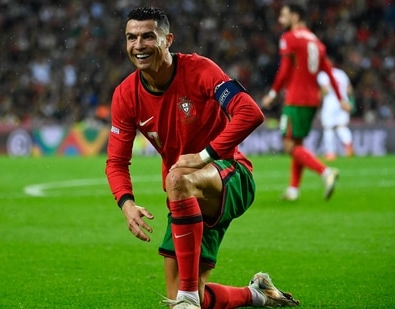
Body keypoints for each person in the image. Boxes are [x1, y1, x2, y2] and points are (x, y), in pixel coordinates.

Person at [105, 6, 300, 309]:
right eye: (131, 38)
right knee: (184, 298)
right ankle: (257, 293)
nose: (138, 45)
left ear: (167, 40)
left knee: (178, 177)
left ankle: (187, 298)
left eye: (147, 36)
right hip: (185, 197)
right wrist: (126, 203)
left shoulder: (200, 70)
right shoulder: (126, 95)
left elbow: (250, 112)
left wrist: (206, 155)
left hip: (231, 175)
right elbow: (116, 162)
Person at [261, 3, 351, 202]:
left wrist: (273, 93)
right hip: (312, 100)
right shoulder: (315, 41)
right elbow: (328, 71)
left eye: (284, 16)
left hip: (295, 98)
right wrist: (341, 99)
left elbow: (284, 70)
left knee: (288, 145)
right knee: (298, 143)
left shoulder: (289, 38)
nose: (280, 20)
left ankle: (325, 171)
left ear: (295, 16)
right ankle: (293, 190)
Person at [318, 60, 355, 161]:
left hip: (330, 104)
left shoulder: (323, 74)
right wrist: (351, 102)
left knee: (328, 128)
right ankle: (348, 145)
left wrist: (318, 97)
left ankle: (330, 153)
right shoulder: (341, 73)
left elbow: (325, 90)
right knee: (341, 126)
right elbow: (349, 89)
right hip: (343, 102)